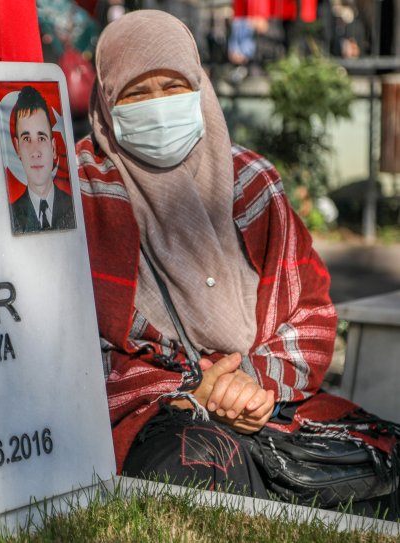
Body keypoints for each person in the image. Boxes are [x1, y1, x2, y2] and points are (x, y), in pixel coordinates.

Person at [76, 10, 398, 513]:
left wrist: (249, 384)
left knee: (384, 457)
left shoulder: (251, 181)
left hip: (262, 396)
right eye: (136, 94)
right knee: (201, 468)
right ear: (106, 104)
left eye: (174, 85)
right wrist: (191, 388)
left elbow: (310, 312)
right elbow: (66, 346)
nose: (158, 105)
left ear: (200, 87)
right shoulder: (80, 193)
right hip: (154, 408)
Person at [11, 85, 76, 234]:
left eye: (41, 137)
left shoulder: (74, 207)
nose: (35, 152)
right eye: (27, 139)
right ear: (17, 148)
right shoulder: (11, 214)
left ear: (53, 148)